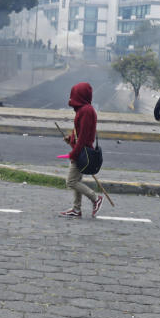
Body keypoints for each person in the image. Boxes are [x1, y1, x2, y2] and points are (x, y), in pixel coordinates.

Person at [59, 82, 104, 218]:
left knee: (71, 181)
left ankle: (95, 198)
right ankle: (76, 209)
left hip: (81, 151)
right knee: (77, 179)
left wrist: (74, 153)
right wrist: (70, 138)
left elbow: (84, 136)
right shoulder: (84, 109)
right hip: (80, 149)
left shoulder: (86, 111)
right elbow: (79, 132)